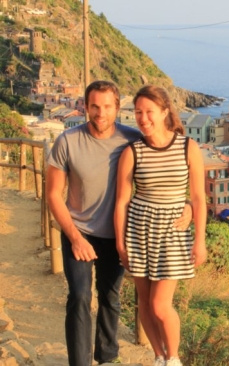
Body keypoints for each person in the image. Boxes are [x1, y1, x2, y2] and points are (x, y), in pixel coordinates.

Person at [46, 80, 192, 366]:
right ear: (85, 107)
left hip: (117, 234)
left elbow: (165, 171)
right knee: (79, 296)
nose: (101, 113)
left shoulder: (132, 140)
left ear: (117, 108)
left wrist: (185, 204)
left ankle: (108, 357)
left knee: (110, 298)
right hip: (79, 231)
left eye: (108, 107)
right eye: (95, 106)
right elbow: (53, 194)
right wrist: (75, 237)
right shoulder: (68, 141)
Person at [114, 85, 207, 366]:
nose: (143, 118)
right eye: (138, 112)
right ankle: (158, 356)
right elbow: (122, 202)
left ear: (165, 111)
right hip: (140, 229)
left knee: (160, 305)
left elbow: (199, 198)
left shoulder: (187, 147)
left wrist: (199, 239)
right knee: (144, 301)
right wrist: (120, 244)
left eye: (149, 112)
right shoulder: (133, 151)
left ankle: (174, 358)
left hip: (173, 233)